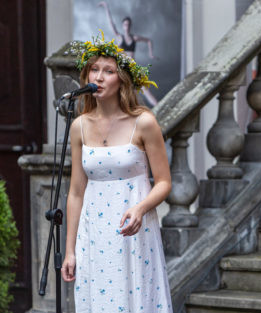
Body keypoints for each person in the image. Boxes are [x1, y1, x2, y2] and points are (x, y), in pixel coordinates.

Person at [61, 32, 172, 312]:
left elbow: (163, 182)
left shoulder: (144, 122)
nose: (98, 77)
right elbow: (75, 192)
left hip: (132, 228)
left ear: (122, 79)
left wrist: (140, 208)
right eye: (94, 70)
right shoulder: (79, 126)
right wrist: (70, 250)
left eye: (108, 71)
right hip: (93, 232)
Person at [98, 1, 158, 108]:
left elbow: (149, 40)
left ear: (130, 26)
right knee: (122, 93)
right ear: (123, 26)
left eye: (129, 24)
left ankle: (159, 107)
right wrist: (106, 7)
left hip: (133, 67)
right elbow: (111, 23)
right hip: (122, 68)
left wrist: (151, 54)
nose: (127, 26)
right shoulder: (119, 37)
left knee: (144, 89)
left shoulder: (134, 38)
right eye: (125, 24)